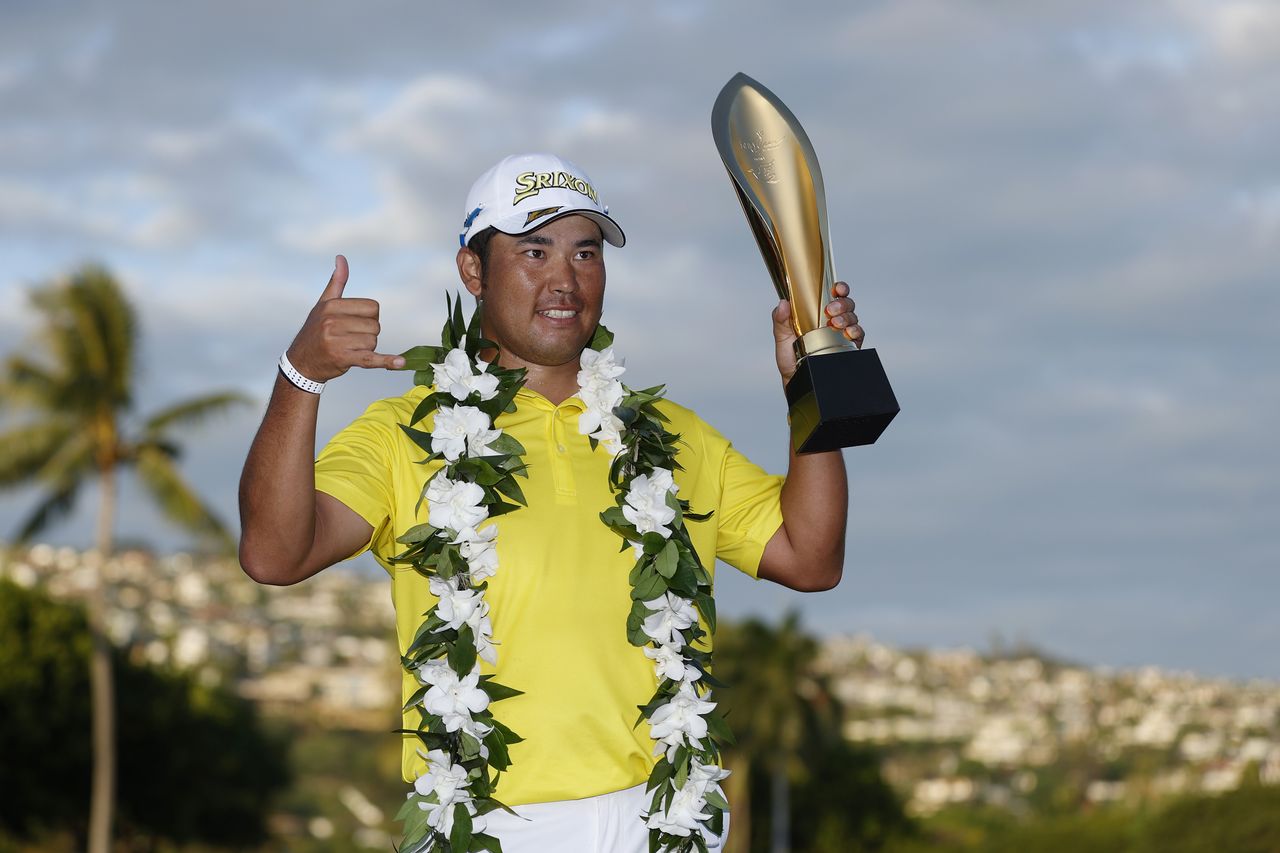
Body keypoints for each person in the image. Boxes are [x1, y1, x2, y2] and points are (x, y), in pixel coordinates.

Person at [238, 152, 864, 852]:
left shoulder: (674, 435)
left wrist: (810, 384)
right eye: (534, 250)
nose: (565, 279)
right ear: (473, 271)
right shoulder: (403, 432)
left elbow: (811, 558)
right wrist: (302, 376)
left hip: (664, 820)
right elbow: (273, 552)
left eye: (586, 252)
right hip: (492, 828)